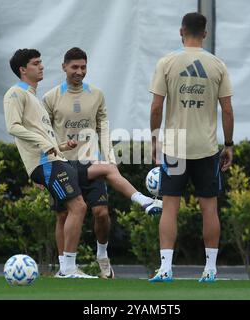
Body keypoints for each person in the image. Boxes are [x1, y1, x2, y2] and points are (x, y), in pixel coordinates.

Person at [43, 47, 163, 279]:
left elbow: (103, 129)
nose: (79, 72)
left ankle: (102, 255)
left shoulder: (96, 94)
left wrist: (108, 157)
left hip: (90, 163)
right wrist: (44, 165)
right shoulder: (50, 98)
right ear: (64, 67)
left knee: (101, 213)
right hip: (62, 165)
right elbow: (43, 134)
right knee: (62, 216)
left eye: (83, 67)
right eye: (74, 67)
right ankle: (64, 267)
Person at [149, 12, 234, 283]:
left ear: (181, 31)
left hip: (174, 146)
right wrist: (228, 144)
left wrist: (154, 140)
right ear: (205, 34)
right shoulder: (217, 64)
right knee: (209, 207)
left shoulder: (167, 62)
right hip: (207, 147)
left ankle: (165, 269)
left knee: (169, 206)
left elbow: (156, 106)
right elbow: (228, 110)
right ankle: (210, 270)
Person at [4, 48, 97, 279]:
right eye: (36, 63)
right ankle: (68, 269)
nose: (41, 66)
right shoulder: (15, 93)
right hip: (45, 163)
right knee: (79, 207)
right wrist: (45, 146)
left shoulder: (34, 97)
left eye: (41, 62)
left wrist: (62, 145)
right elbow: (13, 126)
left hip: (54, 158)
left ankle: (65, 268)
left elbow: (42, 135)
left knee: (68, 211)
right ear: (23, 70)